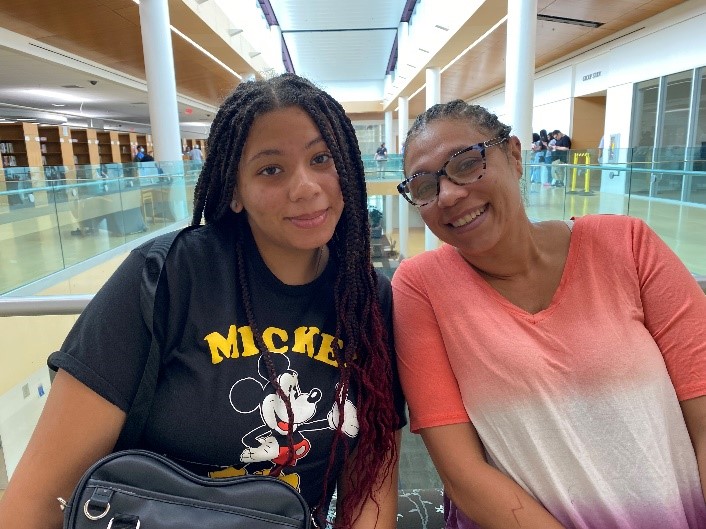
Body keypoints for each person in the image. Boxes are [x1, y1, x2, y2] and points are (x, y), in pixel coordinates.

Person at [0, 74, 405, 529]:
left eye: (321, 158)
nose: (306, 186)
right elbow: (37, 498)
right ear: (235, 190)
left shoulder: (367, 299)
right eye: (271, 169)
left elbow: (371, 479)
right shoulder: (164, 278)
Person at [392, 99, 706, 528]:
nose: (448, 194)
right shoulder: (420, 287)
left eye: (466, 164)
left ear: (515, 156)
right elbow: (463, 473)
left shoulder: (628, 245)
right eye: (425, 187)